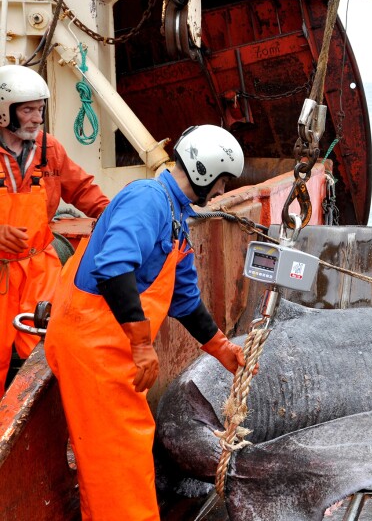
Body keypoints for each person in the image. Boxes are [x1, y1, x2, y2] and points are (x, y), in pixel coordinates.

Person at [44, 124, 248, 520]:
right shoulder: (148, 199)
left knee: (118, 458)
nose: (222, 191)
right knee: (120, 461)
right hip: (92, 347)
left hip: (111, 347)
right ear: (206, 171)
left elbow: (185, 300)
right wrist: (140, 344)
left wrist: (222, 348)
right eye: (223, 181)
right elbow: (113, 268)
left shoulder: (176, 218)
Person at [0, 64, 109, 397]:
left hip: (40, 268)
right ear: (4, 112)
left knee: (48, 351)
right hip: (2, 271)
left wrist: (120, 219)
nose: (37, 119)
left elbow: (85, 191)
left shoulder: (50, 149)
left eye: (41, 109)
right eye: (28, 110)